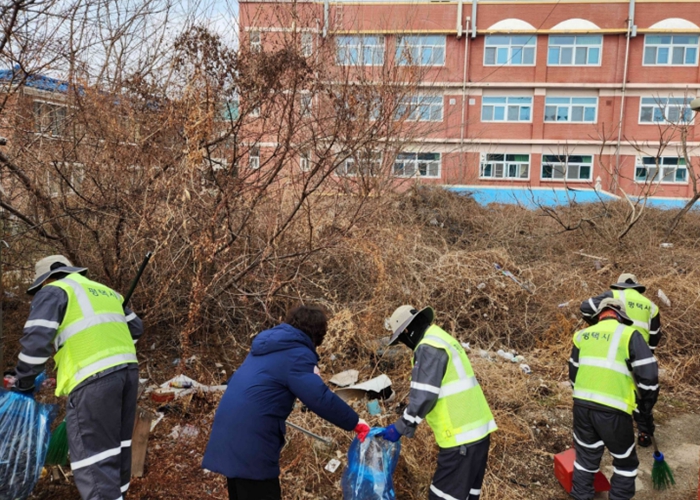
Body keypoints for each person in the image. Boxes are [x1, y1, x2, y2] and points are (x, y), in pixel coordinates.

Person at [202, 304, 369, 500]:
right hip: (252, 442)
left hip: (228, 433)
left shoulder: (265, 347)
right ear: (317, 334)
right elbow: (319, 397)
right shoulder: (296, 354)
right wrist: (355, 422)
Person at [12, 255, 143, 500]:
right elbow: (136, 328)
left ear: (46, 279)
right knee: (117, 450)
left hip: (93, 379)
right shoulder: (106, 291)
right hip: (127, 374)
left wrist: (23, 383)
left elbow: (36, 343)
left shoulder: (53, 291)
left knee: (94, 461)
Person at [380, 305, 497, 500]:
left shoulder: (428, 347)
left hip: (460, 440)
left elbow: (424, 395)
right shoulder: (442, 338)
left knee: (441, 497)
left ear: (407, 331)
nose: (404, 344)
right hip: (478, 434)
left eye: (401, 339)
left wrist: (400, 427)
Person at [569, 298, 659, 500]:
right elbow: (649, 377)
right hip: (614, 410)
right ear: (621, 316)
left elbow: (573, 373)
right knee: (625, 462)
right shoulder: (630, 334)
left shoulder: (583, 335)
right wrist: (645, 406)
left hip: (582, 407)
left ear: (600, 315)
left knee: (585, 459)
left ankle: (580, 496)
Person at [580, 273, 661, 447]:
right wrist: (647, 354)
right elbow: (655, 334)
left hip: (614, 350)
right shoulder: (651, 306)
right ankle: (645, 432)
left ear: (619, 285)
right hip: (640, 353)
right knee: (640, 394)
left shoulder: (613, 295)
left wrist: (598, 324)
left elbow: (585, 307)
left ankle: (612, 429)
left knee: (615, 391)